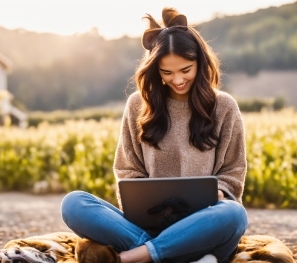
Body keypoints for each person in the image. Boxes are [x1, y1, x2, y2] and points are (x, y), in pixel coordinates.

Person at [61, 7, 248, 263]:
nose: (178, 79)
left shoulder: (224, 107)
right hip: (150, 225)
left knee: (234, 215)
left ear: (200, 63)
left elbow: (233, 172)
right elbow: (128, 170)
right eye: (167, 72)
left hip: (202, 226)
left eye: (186, 69)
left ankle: (134, 257)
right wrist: (141, 199)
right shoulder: (138, 105)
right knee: (74, 203)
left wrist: (219, 193)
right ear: (154, 69)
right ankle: (168, 254)